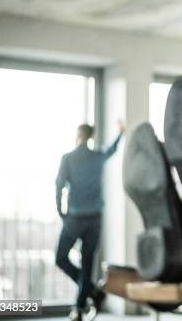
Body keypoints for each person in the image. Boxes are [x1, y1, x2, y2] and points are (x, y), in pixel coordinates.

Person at [55, 122, 125, 321]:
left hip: (75, 218)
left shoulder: (68, 158)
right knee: (87, 265)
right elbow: (111, 149)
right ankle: (86, 300)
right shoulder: (97, 157)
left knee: (60, 258)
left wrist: (61, 211)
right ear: (92, 136)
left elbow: (59, 185)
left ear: (78, 135)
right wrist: (120, 133)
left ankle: (85, 300)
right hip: (94, 218)